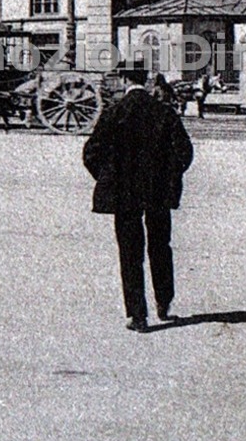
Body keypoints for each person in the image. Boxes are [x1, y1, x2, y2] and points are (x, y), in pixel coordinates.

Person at [82, 69, 195, 334]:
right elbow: (184, 152)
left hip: (124, 193)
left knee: (130, 252)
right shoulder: (164, 112)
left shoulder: (114, 112)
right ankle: (164, 303)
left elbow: (91, 152)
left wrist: (108, 177)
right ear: (146, 81)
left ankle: (137, 315)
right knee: (160, 246)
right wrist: (169, 177)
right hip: (157, 192)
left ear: (124, 81)